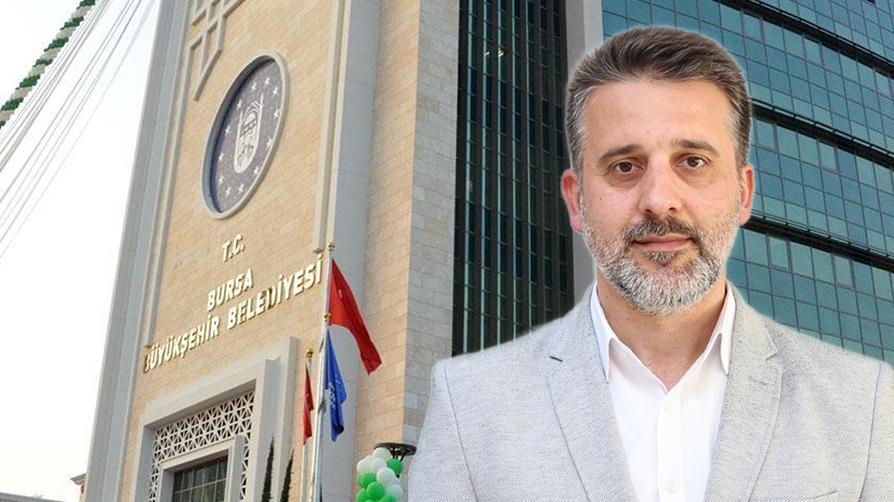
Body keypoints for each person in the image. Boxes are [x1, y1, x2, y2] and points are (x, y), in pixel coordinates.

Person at [408, 26, 893, 501]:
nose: (659, 201)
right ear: (576, 201)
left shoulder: (865, 407)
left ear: (744, 194)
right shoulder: (468, 406)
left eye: (693, 161)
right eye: (625, 166)